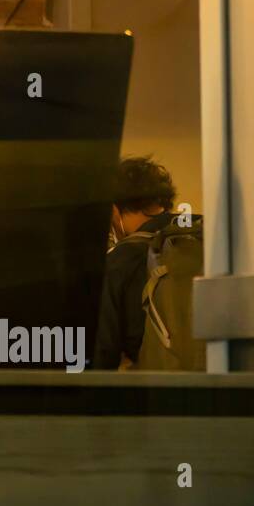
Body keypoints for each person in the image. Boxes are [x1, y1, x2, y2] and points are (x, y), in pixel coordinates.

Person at [94, 155, 178, 369]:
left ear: (114, 210)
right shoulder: (202, 239)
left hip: (153, 391)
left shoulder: (118, 263)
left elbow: (103, 353)